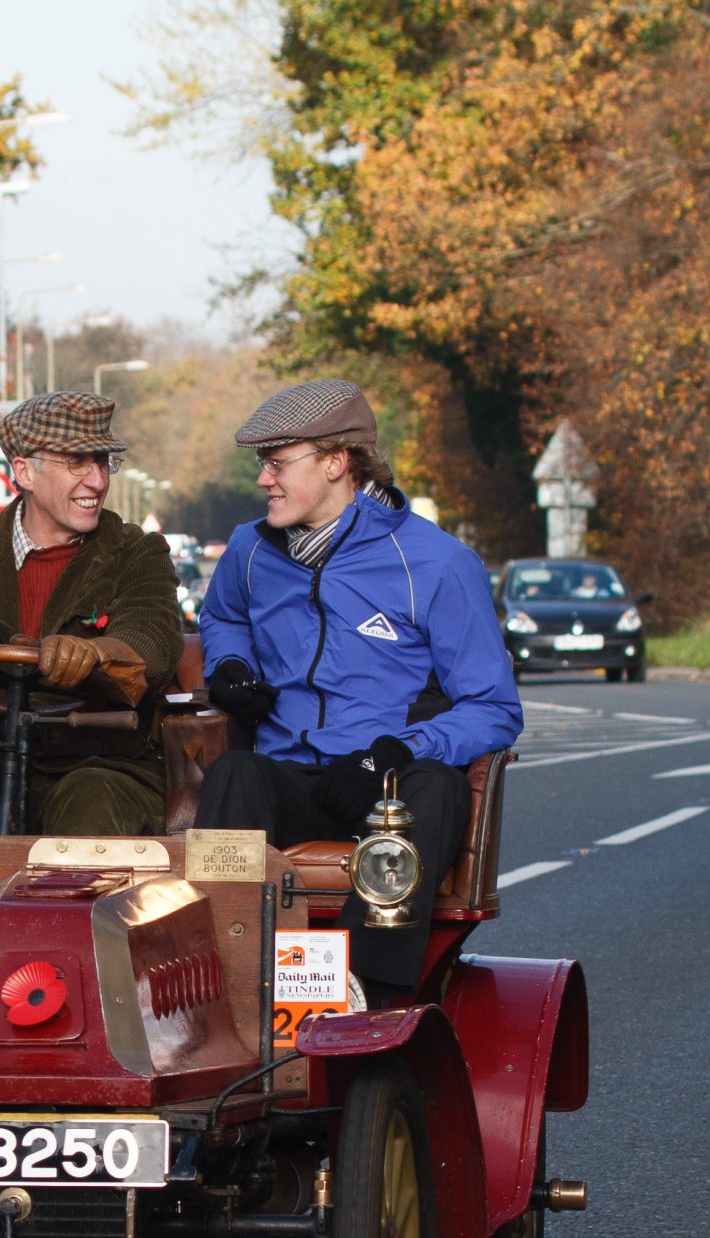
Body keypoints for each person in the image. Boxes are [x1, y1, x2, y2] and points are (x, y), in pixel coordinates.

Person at [195, 378, 523, 1001]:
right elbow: (224, 618)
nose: (263, 479)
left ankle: (354, 990)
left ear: (336, 462)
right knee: (234, 774)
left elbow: (495, 709)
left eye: (278, 463)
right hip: (290, 774)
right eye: (261, 464)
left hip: (385, 782)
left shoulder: (437, 562)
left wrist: (394, 753)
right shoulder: (248, 549)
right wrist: (230, 666)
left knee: (433, 789)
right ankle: (224, 982)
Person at [0, 390, 182, 840]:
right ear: (25, 471)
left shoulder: (137, 552)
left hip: (103, 763)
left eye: (103, 462)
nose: (96, 481)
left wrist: (94, 653)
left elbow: (154, 644)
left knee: (91, 800)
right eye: (77, 463)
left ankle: (71, 912)